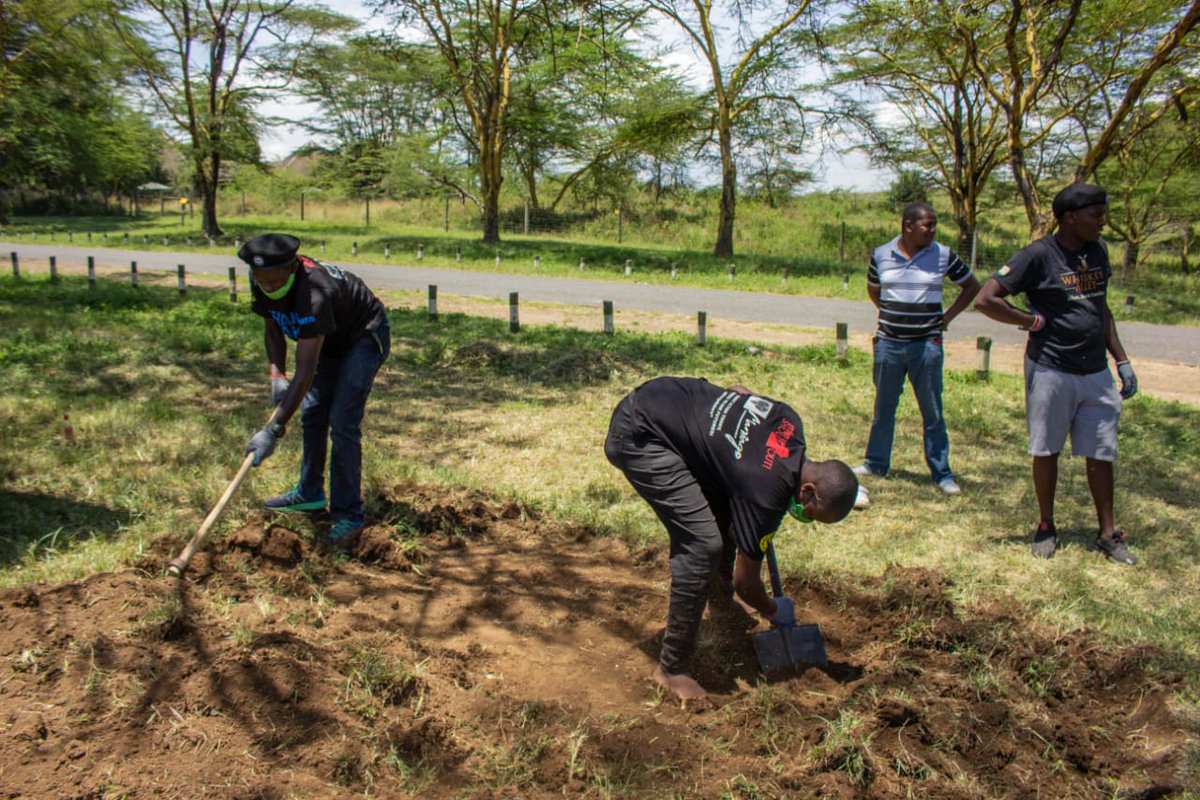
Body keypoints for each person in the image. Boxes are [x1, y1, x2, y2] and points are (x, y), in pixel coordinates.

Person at [604, 376, 858, 706]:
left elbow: (740, 392)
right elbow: (747, 583)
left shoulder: (790, 422)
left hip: (661, 397)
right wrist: (773, 608)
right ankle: (672, 669)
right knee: (702, 544)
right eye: (810, 513)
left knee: (721, 511)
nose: (805, 517)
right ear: (808, 491)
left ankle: (720, 607)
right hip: (640, 436)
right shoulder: (765, 496)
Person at [974, 183, 1138, 565]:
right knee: (1046, 448)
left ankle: (1108, 534)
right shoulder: (1038, 255)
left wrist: (1122, 359)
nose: (1102, 222)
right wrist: (1030, 320)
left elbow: (1101, 309)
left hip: (1095, 371)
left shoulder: (1097, 251)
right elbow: (986, 298)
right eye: (1095, 215)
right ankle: (1046, 525)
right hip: (1050, 366)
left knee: (1101, 451)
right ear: (1069, 218)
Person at [238, 233, 391, 546]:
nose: (266, 286)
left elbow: (306, 371)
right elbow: (272, 327)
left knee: (343, 422)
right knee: (312, 413)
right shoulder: (262, 282)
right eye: (260, 279)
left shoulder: (314, 293)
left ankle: (348, 514)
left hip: (361, 336)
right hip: (328, 340)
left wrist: (273, 429)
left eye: (272, 280)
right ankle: (309, 493)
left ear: (293, 267)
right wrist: (276, 374)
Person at [854, 202, 981, 496]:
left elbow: (971, 287)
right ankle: (875, 463)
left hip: (926, 345)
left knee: (932, 410)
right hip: (888, 343)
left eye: (935, 225)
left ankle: (942, 473)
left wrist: (945, 319)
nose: (933, 230)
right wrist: (892, 313)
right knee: (883, 407)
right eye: (928, 225)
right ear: (908, 226)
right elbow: (874, 289)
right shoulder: (881, 254)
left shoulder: (943, 255)